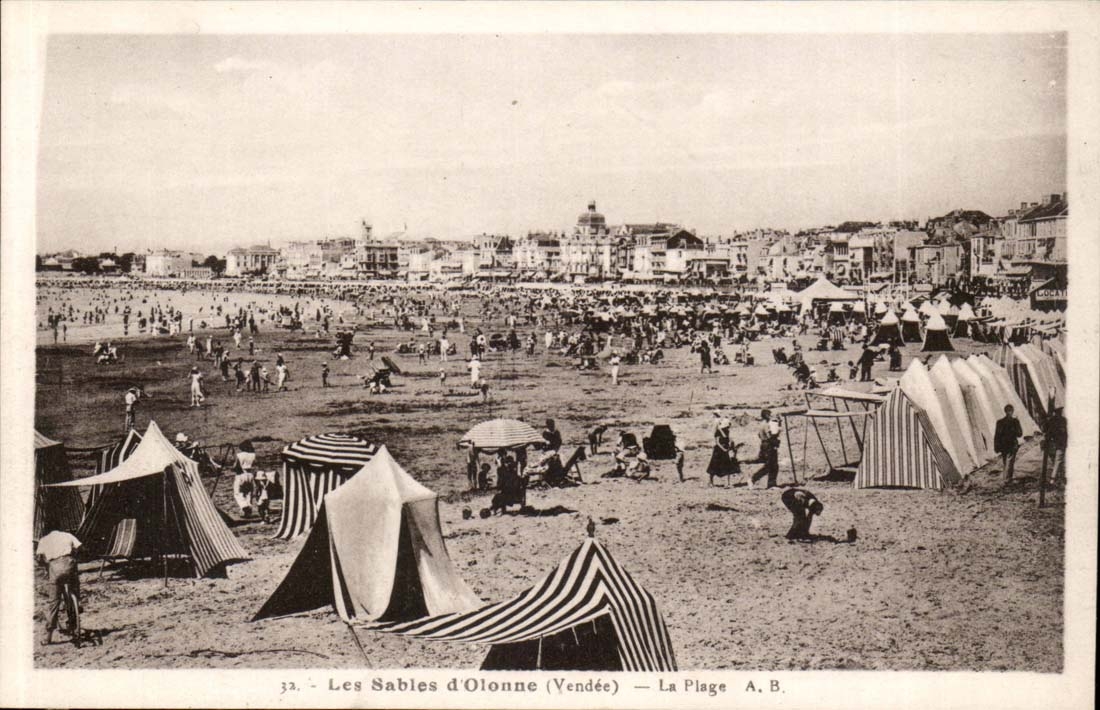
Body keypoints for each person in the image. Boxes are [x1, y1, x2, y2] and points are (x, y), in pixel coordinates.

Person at [37, 529, 83, 645]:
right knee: (74, 583)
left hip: (54, 568)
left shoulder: (44, 540)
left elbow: (39, 558)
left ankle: (48, 636)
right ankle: (77, 601)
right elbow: (80, 547)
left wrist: (46, 564)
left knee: (54, 602)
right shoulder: (67, 535)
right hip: (69, 564)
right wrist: (74, 556)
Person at [706, 412, 739, 487]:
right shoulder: (718, 432)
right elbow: (717, 442)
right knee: (714, 466)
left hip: (725, 449)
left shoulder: (727, 431)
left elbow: (728, 439)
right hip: (718, 450)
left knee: (728, 466)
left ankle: (728, 483)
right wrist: (723, 449)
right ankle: (710, 481)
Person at [993, 404, 1023, 484]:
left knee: (1005, 462)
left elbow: (997, 435)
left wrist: (996, 446)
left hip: (1003, 445)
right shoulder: (1015, 421)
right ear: (1012, 411)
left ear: (1005, 411)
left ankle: (1006, 478)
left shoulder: (999, 422)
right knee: (1010, 462)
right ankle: (1007, 480)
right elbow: (1020, 434)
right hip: (1012, 444)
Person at [1044, 406, 1067, 485]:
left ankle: (1060, 478)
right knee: (1058, 461)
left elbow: (1047, 431)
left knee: (1056, 461)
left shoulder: (1051, 420)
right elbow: (1064, 432)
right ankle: (1053, 480)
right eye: (1060, 411)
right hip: (1060, 443)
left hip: (1052, 442)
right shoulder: (1063, 420)